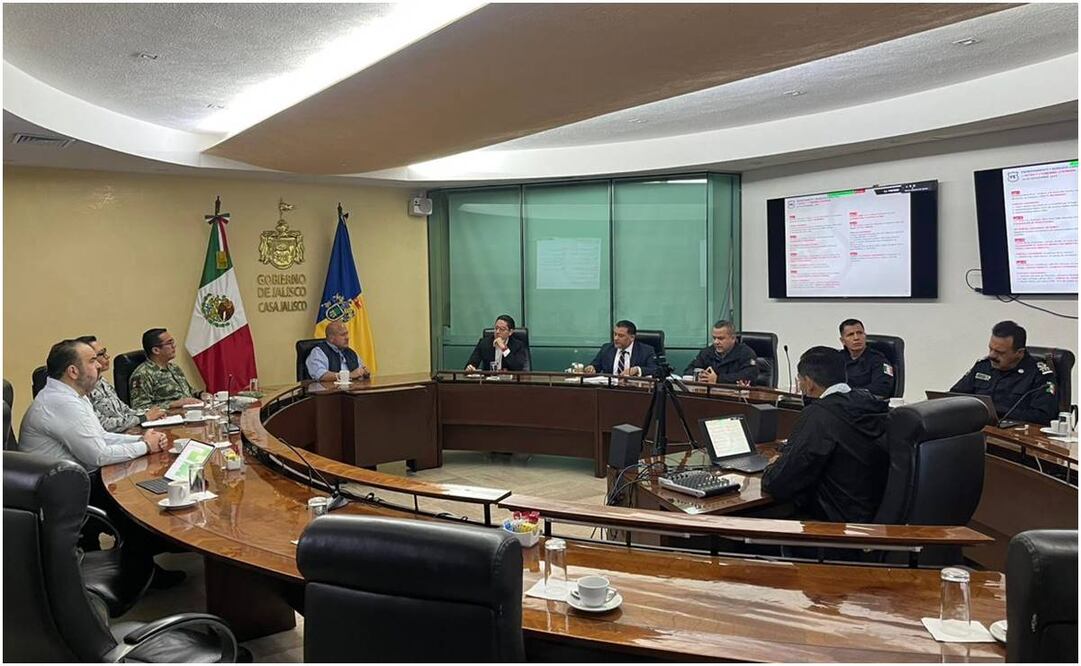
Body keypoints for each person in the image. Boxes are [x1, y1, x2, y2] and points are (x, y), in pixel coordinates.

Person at [20, 339, 185, 587]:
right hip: (60, 494)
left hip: (75, 480)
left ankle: (147, 568)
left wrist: (142, 439)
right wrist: (144, 446)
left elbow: (101, 436)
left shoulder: (72, 395)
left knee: (143, 488)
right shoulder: (60, 403)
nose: (99, 365)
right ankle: (140, 578)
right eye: (92, 361)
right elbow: (96, 455)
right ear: (73, 371)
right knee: (135, 505)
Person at [760, 346, 889, 523]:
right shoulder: (871, 403)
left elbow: (778, 484)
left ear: (809, 383)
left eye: (800, 381)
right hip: (871, 519)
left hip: (834, 528)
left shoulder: (820, 415)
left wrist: (773, 467)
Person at [950, 320, 1058, 425]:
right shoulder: (983, 366)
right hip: (978, 430)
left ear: (1019, 353)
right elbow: (954, 396)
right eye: (990, 349)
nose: (992, 355)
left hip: (1014, 436)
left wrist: (996, 410)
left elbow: (1044, 417)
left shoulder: (1039, 375)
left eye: (999, 352)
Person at [76, 335, 166, 432]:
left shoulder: (102, 381)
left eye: (105, 351)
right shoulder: (83, 389)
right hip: (115, 437)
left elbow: (124, 410)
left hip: (129, 430)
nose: (107, 356)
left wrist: (150, 413)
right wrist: (142, 418)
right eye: (101, 354)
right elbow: (103, 425)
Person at [128, 328, 203, 411]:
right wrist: (174, 404)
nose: (173, 346)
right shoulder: (143, 374)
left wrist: (201, 394)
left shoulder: (174, 368)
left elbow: (188, 391)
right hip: (169, 418)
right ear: (156, 350)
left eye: (173, 342)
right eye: (169, 343)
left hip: (189, 413)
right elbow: (140, 408)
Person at [683, 320, 757, 385]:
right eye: (714, 338)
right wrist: (699, 375)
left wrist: (718, 379)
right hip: (710, 396)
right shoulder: (707, 352)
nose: (716, 342)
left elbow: (749, 376)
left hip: (734, 397)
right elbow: (688, 371)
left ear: (733, 338)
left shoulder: (746, 353)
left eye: (720, 338)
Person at [837, 318, 895, 399]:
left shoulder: (878, 360)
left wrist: (850, 392)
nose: (856, 338)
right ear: (842, 341)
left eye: (860, 333)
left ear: (865, 336)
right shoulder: (837, 359)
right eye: (850, 335)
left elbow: (882, 389)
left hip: (865, 404)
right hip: (839, 402)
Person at [584, 320, 658, 377]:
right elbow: (596, 365)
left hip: (633, 391)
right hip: (609, 390)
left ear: (632, 337)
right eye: (615, 334)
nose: (616, 338)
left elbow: (655, 370)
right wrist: (591, 368)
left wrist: (637, 370)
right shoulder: (607, 348)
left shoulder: (646, 351)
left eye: (621, 336)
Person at [306, 320, 370, 382]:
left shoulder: (351, 353)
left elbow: (360, 370)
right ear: (331, 338)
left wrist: (364, 372)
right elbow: (321, 375)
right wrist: (349, 376)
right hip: (329, 391)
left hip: (352, 390)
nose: (347, 337)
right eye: (343, 335)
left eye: (347, 334)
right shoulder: (319, 352)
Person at [465, 314, 529, 371]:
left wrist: (504, 348)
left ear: (510, 332)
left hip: (509, 382)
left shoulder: (518, 345)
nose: (497, 332)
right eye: (496, 328)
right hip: (489, 382)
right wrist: (470, 367)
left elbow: (518, 368)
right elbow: (472, 363)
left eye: (502, 329)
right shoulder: (484, 343)